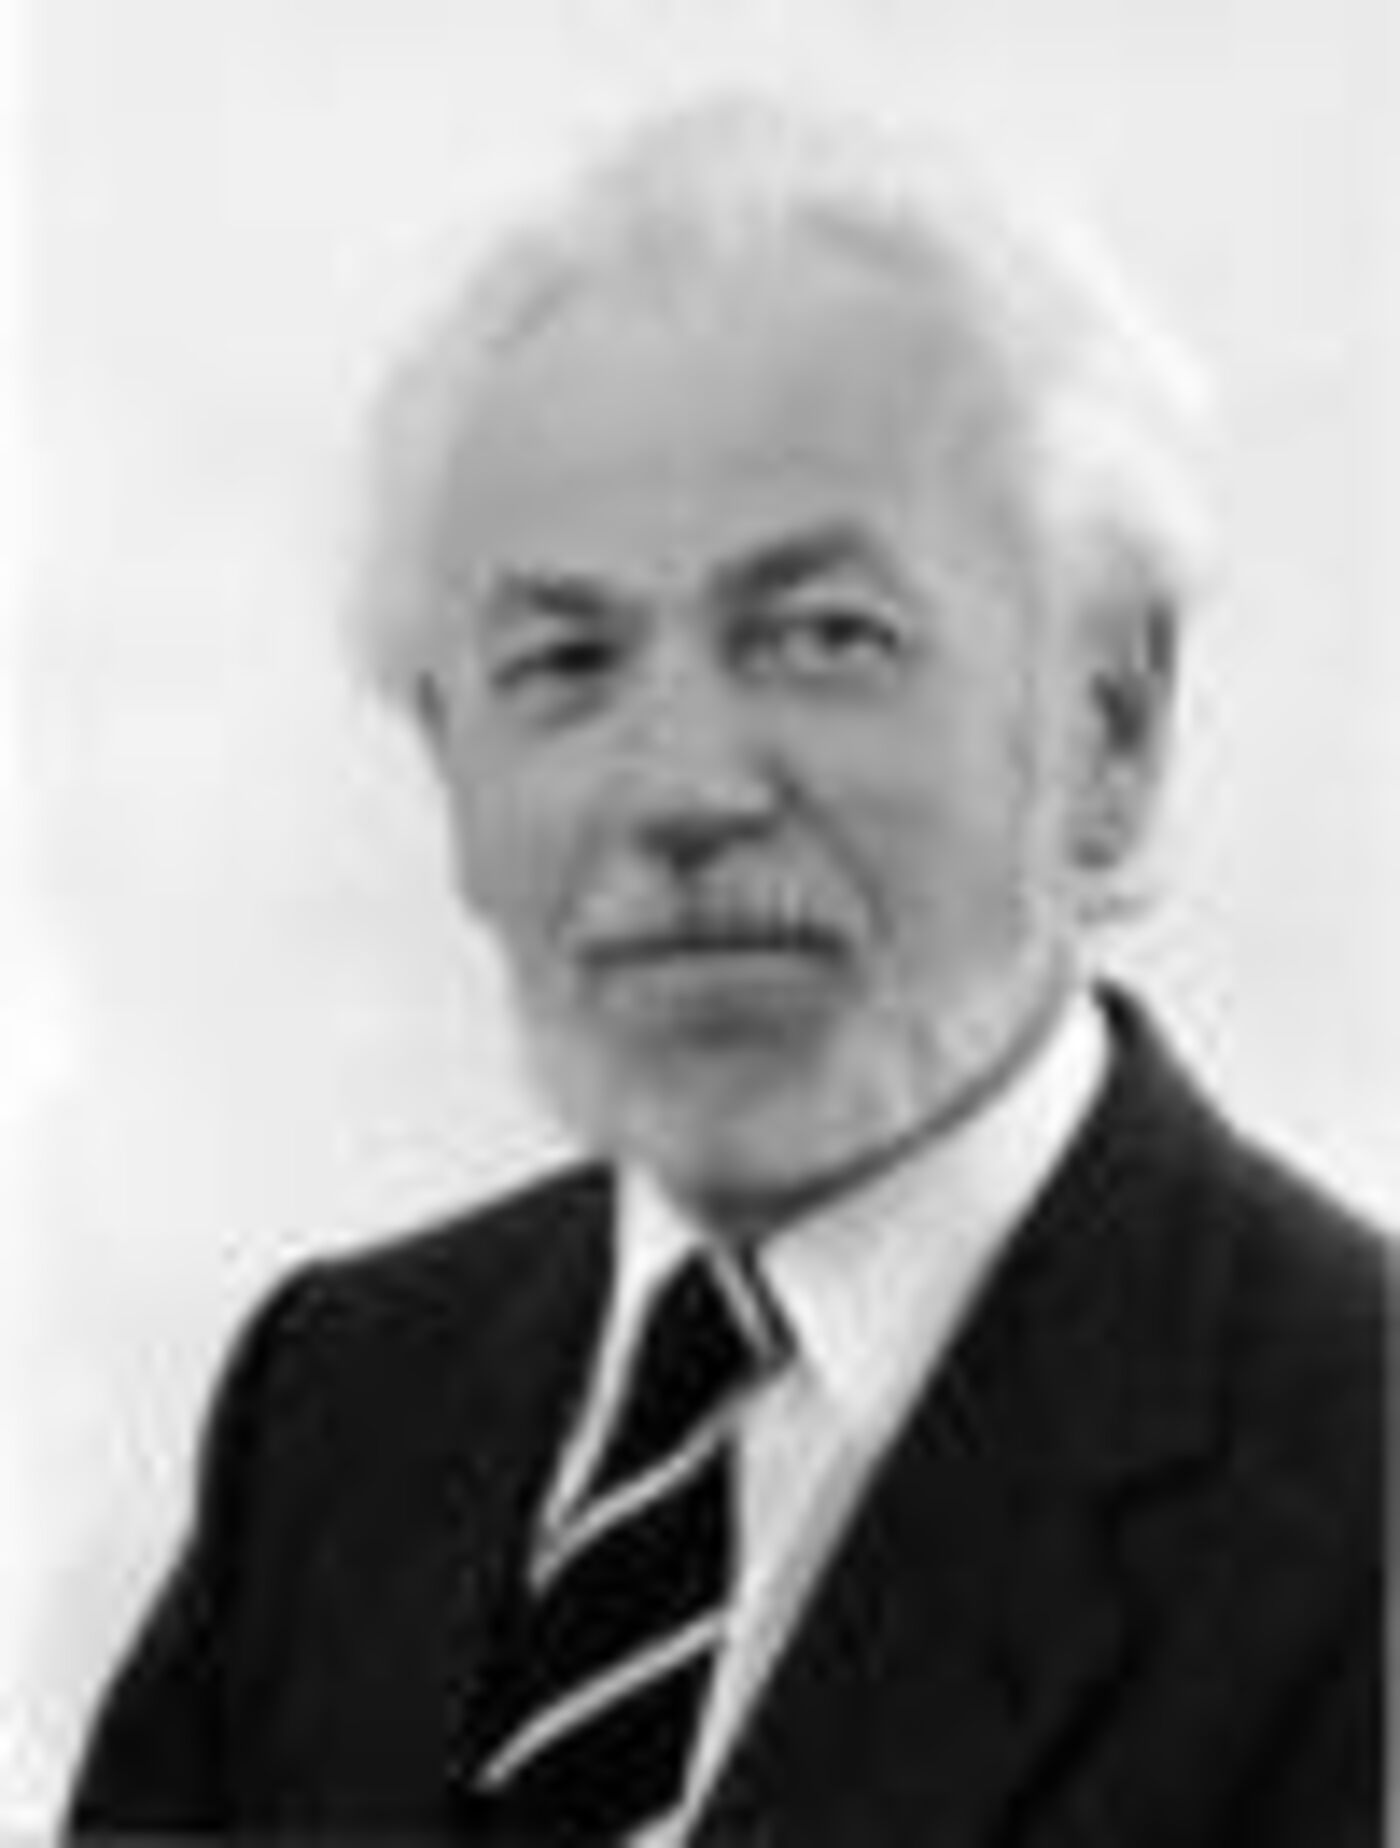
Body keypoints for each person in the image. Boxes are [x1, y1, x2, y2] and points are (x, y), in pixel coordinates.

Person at [68, 98, 1388, 1845]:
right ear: (447, 767)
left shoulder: (1356, 1480)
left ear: (1111, 728)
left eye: (826, 637)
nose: (683, 789)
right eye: (564, 661)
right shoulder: (334, 1403)